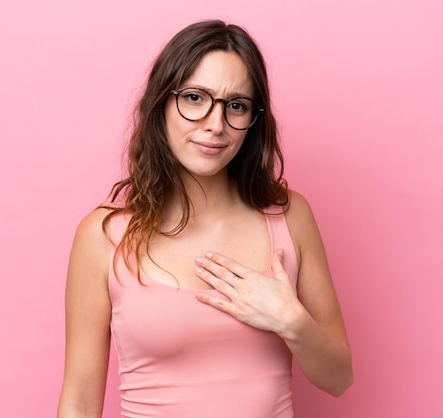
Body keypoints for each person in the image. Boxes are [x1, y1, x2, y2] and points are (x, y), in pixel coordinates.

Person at [57, 20, 353, 418]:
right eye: (195, 98)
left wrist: (291, 321)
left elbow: (339, 378)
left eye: (236, 105)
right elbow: (78, 403)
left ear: (253, 119)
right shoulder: (104, 237)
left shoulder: (289, 217)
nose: (215, 125)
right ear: (161, 103)